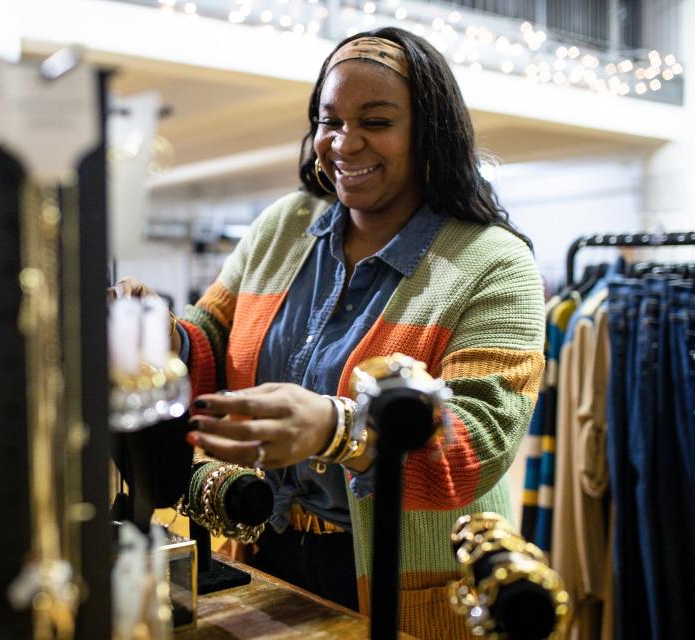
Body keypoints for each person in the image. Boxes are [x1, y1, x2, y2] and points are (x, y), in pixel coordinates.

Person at [114, 26, 545, 639]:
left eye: (376, 121)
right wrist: (160, 335)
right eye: (329, 120)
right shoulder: (284, 227)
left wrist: (337, 428)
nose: (345, 143)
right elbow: (212, 341)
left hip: (403, 580)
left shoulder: (493, 264)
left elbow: (477, 445)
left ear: (429, 132)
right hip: (267, 553)